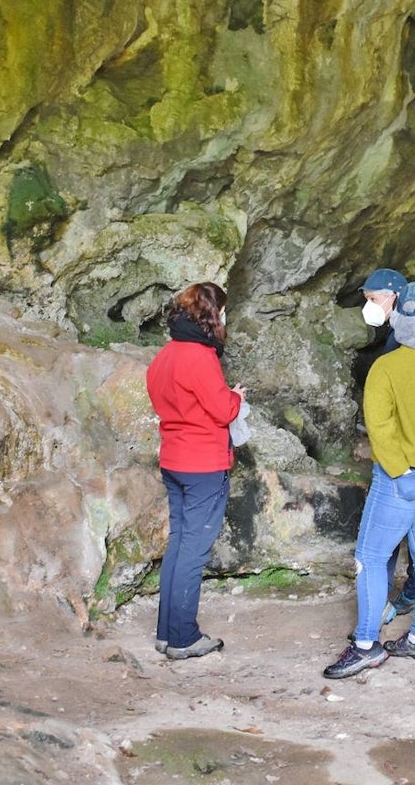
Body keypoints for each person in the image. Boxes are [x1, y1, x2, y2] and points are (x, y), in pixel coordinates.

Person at [324, 281, 415, 679]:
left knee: (370, 558)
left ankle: (366, 645)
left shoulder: (385, 367)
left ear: (398, 319)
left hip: (405, 477)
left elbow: (380, 430)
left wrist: (400, 472)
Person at [146, 282, 247, 660]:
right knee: (194, 549)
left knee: (179, 543)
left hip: (173, 459)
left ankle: (166, 633)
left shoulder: (166, 355)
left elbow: (169, 399)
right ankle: (184, 637)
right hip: (203, 464)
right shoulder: (200, 356)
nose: (225, 317)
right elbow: (223, 410)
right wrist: (237, 397)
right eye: (223, 310)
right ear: (212, 314)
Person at [359, 268, 415, 623]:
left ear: (394, 296)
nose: (369, 307)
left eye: (373, 299)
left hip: (401, 457)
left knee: (386, 535)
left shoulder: (401, 343)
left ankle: (376, 613)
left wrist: (394, 459)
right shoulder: (405, 337)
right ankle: (414, 597)